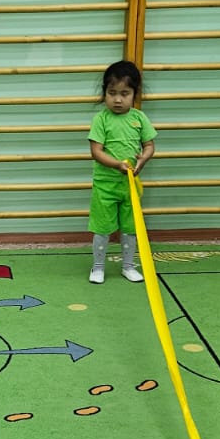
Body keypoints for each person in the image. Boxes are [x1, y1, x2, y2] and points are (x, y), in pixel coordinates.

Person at [87, 60, 156, 284]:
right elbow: (96, 151)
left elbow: (149, 145)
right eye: (112, 93)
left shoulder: (139, 118)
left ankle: (128, 266)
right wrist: (117, 165)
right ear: (104, 93)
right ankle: (98, 267)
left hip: (130, 187)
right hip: (105, 186)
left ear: (135, 94)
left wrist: (143, 158)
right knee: (102, 228)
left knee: (130, 228)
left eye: (124, 93)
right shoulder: (101, 119)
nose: (118, 99)